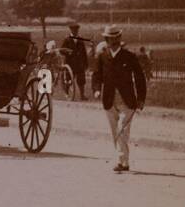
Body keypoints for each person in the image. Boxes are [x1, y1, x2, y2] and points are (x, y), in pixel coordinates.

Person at [92, 25, 146, 173]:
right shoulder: (102, 57)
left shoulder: (129, 56)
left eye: (117, 37)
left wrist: (141, 99)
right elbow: (96, 75)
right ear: (106, 40)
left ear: (120, 38)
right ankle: (122, 160)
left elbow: (140, 78)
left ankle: (122, 162)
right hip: (109, 100)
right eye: (111, 38)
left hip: (127, 101)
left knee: (122, 130)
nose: (114, 41)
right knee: (115, 132)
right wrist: (96, 90)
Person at [60, 22, 91, 100]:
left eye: (76, 30)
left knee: (81, 80)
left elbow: (84, 53)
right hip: (70, 63)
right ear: (71, 30)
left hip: (79, 64)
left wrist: (86, 64)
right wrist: (68, 52)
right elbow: (61, 50)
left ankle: (82, 95)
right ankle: (67, 93)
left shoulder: (80, 40)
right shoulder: (67, 39)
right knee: (69, 79)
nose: (75, 31)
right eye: (73, 30)